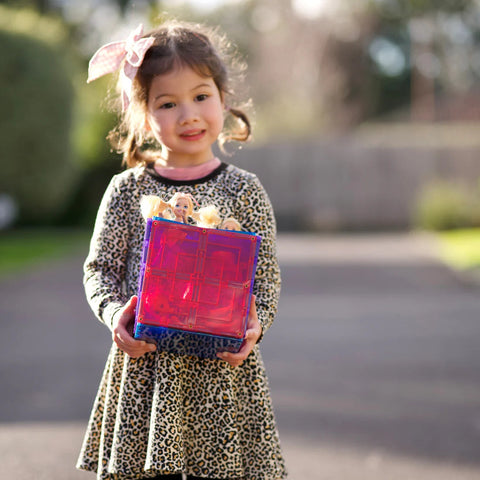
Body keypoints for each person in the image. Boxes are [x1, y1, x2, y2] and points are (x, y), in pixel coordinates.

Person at [77, 20, 287, 480]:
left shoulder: (246, 191)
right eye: (167, 103)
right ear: (143, 115)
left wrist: (255, 324)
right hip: (147, 372)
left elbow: (265, 280)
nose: (188, 114)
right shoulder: (127, 190)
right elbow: (99, 271)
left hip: (223, 377)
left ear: (224, 98)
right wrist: (116, 315)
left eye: (200, 96)